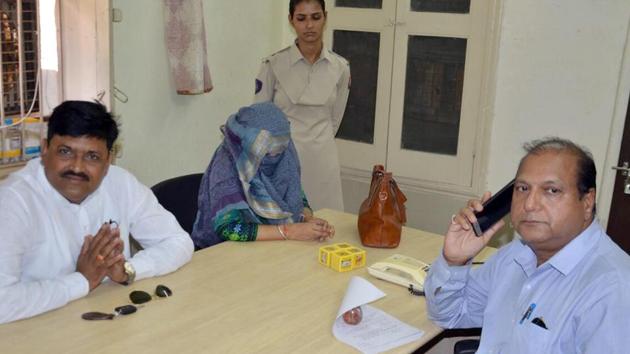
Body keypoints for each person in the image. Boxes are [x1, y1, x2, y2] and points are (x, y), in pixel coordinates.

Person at [424, 137, 630, 353]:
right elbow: (449, 314)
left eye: (551, 191)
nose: (530, 204)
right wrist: (455, 262)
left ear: (587, 202)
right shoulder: (517, 254)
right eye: (522, 188)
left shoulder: (613, 289)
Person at [0, 101, 194, 324]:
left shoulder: (120, 183)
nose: (77, 167)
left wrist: (127, 270)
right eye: (65, 152)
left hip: (108, 325)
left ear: (108, 159)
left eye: (92, 157)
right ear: (44, 149)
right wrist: (82, 281)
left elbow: (178, 241)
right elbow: (2, 303)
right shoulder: (13, 201)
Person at [191, 102, 335, 249]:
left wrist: (307, 219)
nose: (275, 155)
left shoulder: (286, 155)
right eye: (269, 150)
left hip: (273, 247)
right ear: (251, 144)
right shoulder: (226, 166)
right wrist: (288, 231)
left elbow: (297, 195)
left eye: (281, 148)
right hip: (223, 251)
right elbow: (228, 229)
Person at [254, 0, 350, 212]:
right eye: (301, 18)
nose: (309, 25)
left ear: (325, 18)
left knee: (329, 226)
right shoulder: (273, 65)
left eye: (315, 17)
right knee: (288, 229)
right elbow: (260, 120)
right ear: (291, 20)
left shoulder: (340, 68)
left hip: (323, 160)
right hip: (284, 160)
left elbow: (335, 119)